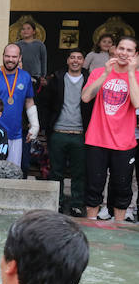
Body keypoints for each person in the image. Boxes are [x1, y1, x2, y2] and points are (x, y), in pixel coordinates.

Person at [80, 36, 139, 222]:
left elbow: (137, 104)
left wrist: (130, 73)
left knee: (122, 190)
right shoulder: (99, 72)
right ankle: (91, 227)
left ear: (135, 54)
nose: (124, 53)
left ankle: (119, 230)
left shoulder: (137, 76)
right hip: (97, 139)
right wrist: (106, 74)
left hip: (124, 143)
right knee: (93, 187)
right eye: (121, 48)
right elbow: (86, 97)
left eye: (129, 50)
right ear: (114, 50)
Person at [45, 49, 93, 217]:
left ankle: (77, 204)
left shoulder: (90, 79)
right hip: (59, 131)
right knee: (55, 171)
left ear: (83, 62)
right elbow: (47, 103)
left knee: (79, 172)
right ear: (67, 60)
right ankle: (56, 202)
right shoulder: (58, 78)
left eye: (79, 58)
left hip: (80, 133)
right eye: (72, 57)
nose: (75, 61)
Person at [16, 21, 47, 85]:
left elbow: (43, 60)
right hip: (20, 75)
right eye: (23, 29)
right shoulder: (17, 45)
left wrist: (43, 76)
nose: (25, 31)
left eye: (28, 28)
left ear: (34, 31)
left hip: (35, 76)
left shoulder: (40, 45)